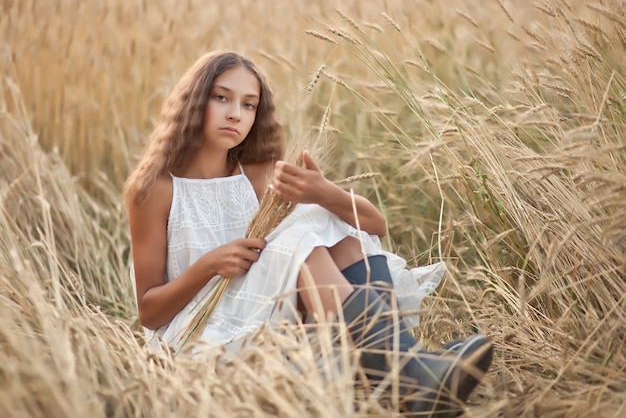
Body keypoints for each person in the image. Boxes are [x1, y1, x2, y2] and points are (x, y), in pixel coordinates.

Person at [124, 51, 493, 416]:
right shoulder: (155, 189)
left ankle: (405, 370)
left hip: (267, 309)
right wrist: (208, 265)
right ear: (194, 101)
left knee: (333, 228)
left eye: (249, 105)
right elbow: (150, 313)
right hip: (199, 331)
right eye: (221, 97)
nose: (236, 113)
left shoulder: (258, 174)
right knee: (300, 241)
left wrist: (324, 193)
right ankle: (411, 374)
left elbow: (374, 226)